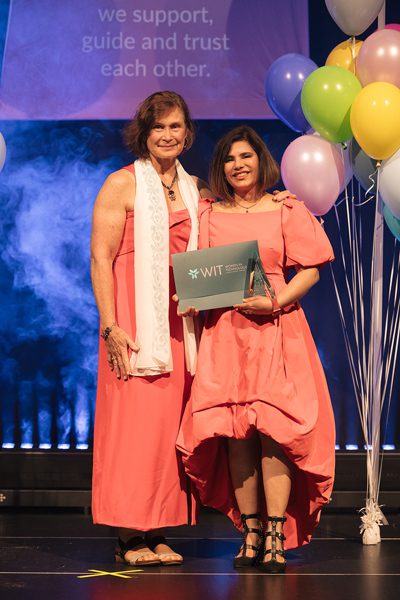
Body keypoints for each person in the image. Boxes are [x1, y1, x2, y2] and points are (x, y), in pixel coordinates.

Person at [176, 125, 336, 573]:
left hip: (276, 328)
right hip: (226, 333)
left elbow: (311, 270)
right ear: (221, 168)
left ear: (260, 160)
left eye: (245, 156)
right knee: (235, 431)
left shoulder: (285, 208)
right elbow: (201, 274)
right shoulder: (209, 214)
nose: (238, 164)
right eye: (229, 158)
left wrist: (276, 301)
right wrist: (190, 297)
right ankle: (248, 532)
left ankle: (275, 534)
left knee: (276, 432)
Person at [90, 91, 211, 566]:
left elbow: (220, 237)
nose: (167, 135)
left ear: (187, 133)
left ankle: (158, 528)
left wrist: (275, 199)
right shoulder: (121, 184)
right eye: (158, 127)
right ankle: (128, 535)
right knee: (132, 431)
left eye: (175, 126)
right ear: (144, 133)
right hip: (132, 326)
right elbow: (101, 257)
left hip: (179, 325)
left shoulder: (195, 187)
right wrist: (110, 325)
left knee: (168, 431)